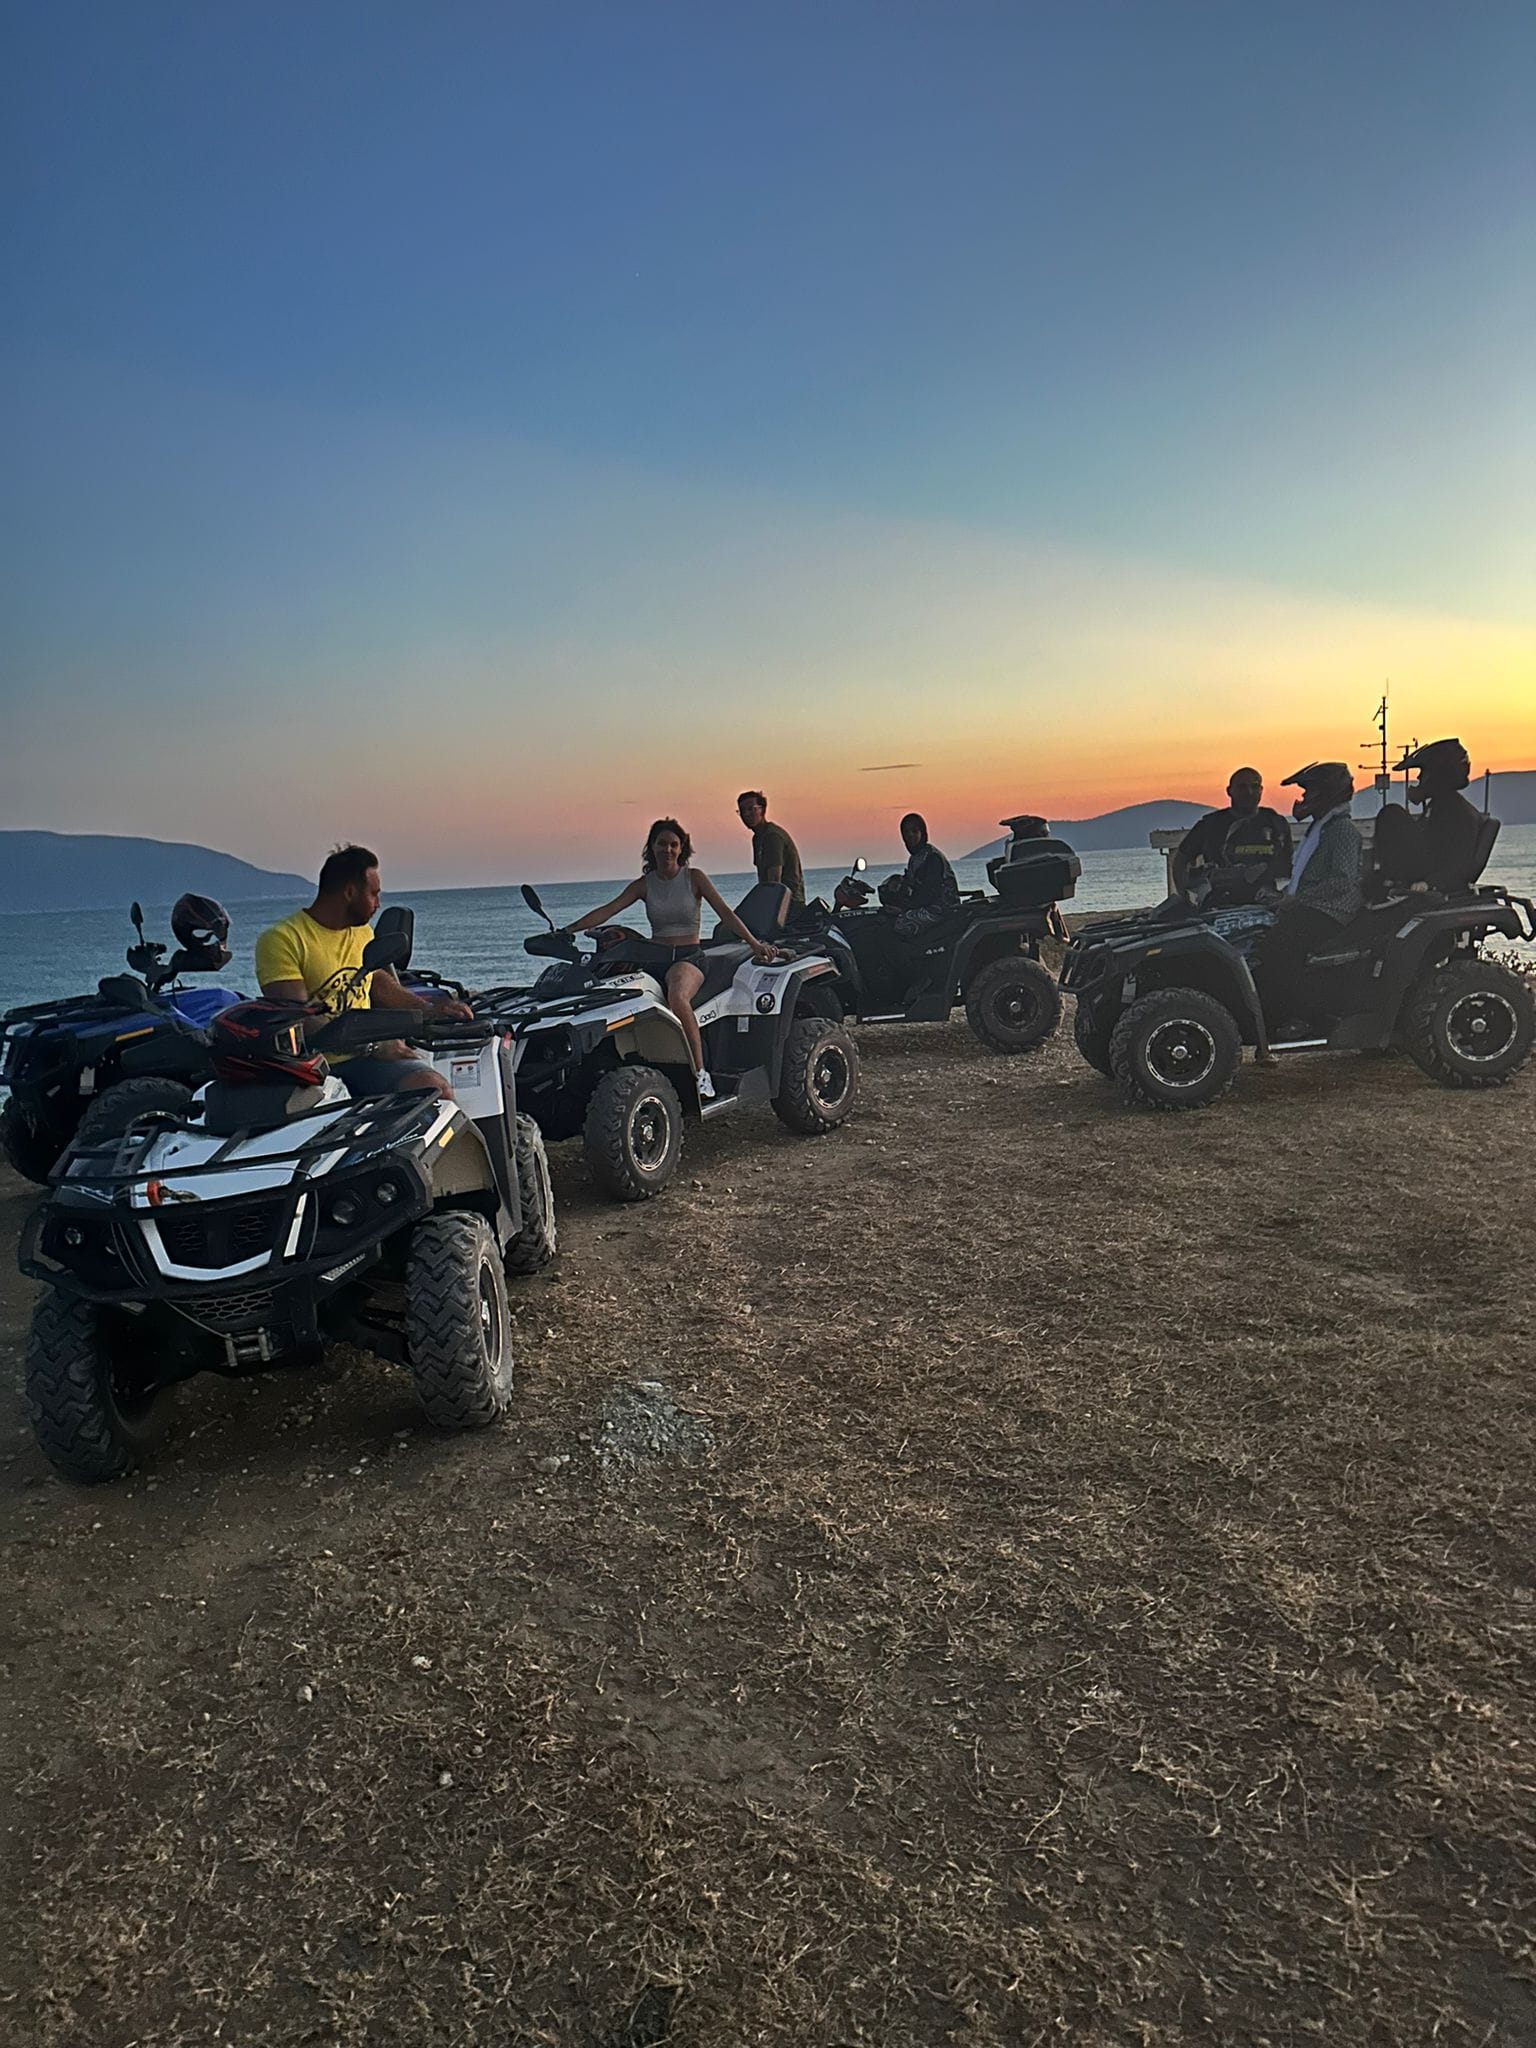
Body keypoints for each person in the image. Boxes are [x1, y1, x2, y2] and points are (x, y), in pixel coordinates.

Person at [561, 818, 779, 1100]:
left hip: (689, 958)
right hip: (654, 958)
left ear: (682, 849)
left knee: (678, 997)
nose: (668, 849)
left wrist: (754, 943)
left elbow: (726, 912)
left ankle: (701, 1075)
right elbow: (608, 909)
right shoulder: (644, 885)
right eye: (662, 843)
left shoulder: (694, 878)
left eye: (674, 845)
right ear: (652, 847)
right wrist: (569, 930)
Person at [255, 844, 472, 1099]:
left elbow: (376, 981)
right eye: (373, 894)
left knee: (437, 1090)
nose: (378, 904)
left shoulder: (362, 932)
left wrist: (427, 1011)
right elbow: (297, 1022)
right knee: (430, 1089)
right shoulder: (282, 939)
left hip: (365, 1060)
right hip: (316, 1068)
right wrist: (375, 1045)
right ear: (349, 892)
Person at [1251, 762, 1364, 1034]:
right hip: (1314, 905)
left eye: (1309, 791)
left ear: (1327, 794)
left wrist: (1296, 900)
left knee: (1281, 947)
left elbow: (1341, 881)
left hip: (1333, 911)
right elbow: (1309, 877)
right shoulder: (1322, 829)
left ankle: (1302, 1018)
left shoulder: (1342, 831)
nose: (1303, 798)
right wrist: (1281, 895)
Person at [1372, 738, 1484, 894]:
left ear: (1438, 776)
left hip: (1430, 884)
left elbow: (1458, 863)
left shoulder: (1456, 812)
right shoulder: (1440, 806)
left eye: (1423, 773)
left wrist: (1429, 883)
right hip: (1423, 877)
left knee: (1391, 815)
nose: (1418, 779)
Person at [1171, 767, 1293, 903]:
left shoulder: (1277, 822)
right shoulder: (1210, 824)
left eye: (1254, 786)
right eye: (1242, 787)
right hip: (1219, 906)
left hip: (1267, 903)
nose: (1249, 792)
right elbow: (1180, 860)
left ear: (1261, 790)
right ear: (1229, 791)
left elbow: (1289, 865)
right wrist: (1183, 897)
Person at [879, 813, 960, 939]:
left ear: (922, 833)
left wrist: (903, 909)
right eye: (906, 832)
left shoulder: (933, 857)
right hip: (925, 905)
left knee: (895, 926)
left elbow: (928, 894)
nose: (910, 835)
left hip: (941, 909)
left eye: (914, 831)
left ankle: (903, 958)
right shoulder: (916, 857)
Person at [736, 791, 805, 906]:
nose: (746, 814)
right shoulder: (758, 838)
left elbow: (774, 882)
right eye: (742, 811)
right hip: (777, 902)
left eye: (751, 809)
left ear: (762, 810)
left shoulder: (772, 836)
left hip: (787, 905)